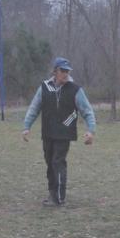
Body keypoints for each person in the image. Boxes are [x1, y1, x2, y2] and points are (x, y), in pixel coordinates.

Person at [22, 57, 96, 207]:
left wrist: (91, 130)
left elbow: (87, 111)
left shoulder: (75, 89)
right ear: (55, 71)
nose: (65, 74)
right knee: (49, 163)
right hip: (48, 132)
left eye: (67, 71)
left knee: (58, 162)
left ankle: (59, 197)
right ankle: (52, 192)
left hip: (64, 133)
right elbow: (34, 107)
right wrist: (26, 126)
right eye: (62, 70)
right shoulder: (44, 87)